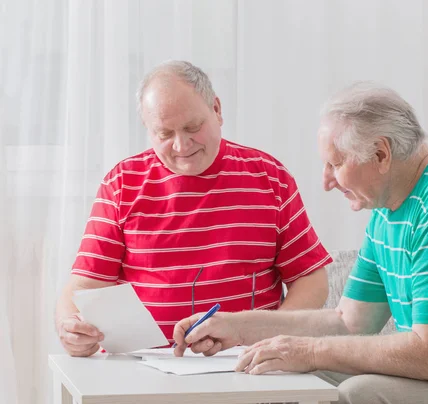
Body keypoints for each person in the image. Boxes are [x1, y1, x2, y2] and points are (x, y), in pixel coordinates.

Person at [172, 83, 428, 404]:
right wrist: (237, 327)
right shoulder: (391, 204)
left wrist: (307, 350)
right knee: (285, 372)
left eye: (335, 164)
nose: (325, 181)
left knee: (361, 392)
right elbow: (348, 322)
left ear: (380, 153)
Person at [55, 60, 332, 357]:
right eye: (165, 134)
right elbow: (82, 289)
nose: (181, 145)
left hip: (248, 362)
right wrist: (70, 328)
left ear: (217, 110)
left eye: (192, 127)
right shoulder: (121, 184)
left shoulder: (270, 178)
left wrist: (269, 336)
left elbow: (311, 281)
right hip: (144, 365)